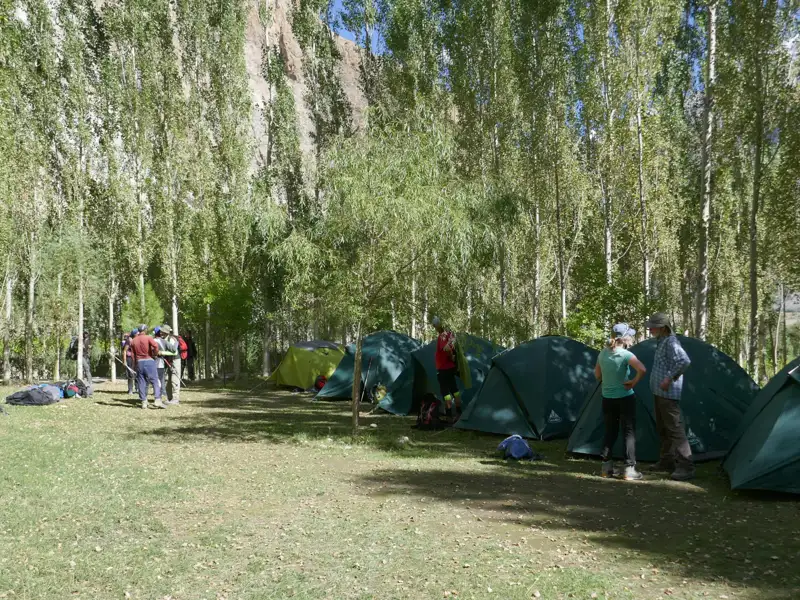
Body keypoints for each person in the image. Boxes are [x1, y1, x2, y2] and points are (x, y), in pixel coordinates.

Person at [594, 323, 647, 480]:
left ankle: (606, 469)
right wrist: (633, 382)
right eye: (629, 335)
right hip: (625, 398)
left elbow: (597, 375)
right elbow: (642, 369)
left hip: (607, 398)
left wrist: (609, 380)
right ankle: (629, 471)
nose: (631, 338)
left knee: (610, 430)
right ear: (624, 338)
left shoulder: (602, 354)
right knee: (628, 432)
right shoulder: (625, 355)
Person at [645, 312, 694, 481]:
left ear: (663, 328)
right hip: (659, 393)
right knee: (663, 428)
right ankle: (667, 461)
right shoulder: (662, 341)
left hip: (668, 394)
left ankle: (686, 466)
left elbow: (684, 361)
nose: (650, 329)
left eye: (653, 327)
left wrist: (669, 378)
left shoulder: (671, 341)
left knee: (675, 429)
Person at [432, 316, 462, 422]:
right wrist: (452, 357)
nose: (435, 328)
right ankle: (459, 412)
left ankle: (449, 414)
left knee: (445, 393)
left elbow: (446, 348)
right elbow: (452, 347)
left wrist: (450, 355)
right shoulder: (451, 335)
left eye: (435, 326)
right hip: (451, 368)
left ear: (438, 325)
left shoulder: (443, 336)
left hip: (444, 369)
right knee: (455, 390)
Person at [130, 325, 164, 409]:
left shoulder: (133, 340)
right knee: (155, 380)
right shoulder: (148, 338)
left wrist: (134, 365)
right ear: (145, 330)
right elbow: (155, 346)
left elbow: (133, 355)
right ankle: (157, 399)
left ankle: (144, 401)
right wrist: (155, 354)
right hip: (149, 361)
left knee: (141, 382)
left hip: (139, 363)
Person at [159, 325, 181, 405]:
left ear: (166, 332)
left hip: (175, 360)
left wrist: (162, 353)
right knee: (168, 379)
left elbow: (174, 351)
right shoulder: (164, 339)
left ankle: (175, 399)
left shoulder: (172, 339)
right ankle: (170, 398)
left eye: (162, 331)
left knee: (174, 379)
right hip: (169, 361)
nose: (161, 333)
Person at [122, 331, 138, 395]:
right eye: (137, 334)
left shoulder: (137, 340)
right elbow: (125, 351)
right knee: (130, 374)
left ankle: (137, 388)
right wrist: (125, 361)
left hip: (136, 358)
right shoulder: (129, 340)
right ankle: (130, 389)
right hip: (129, 358)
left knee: (136, 374)